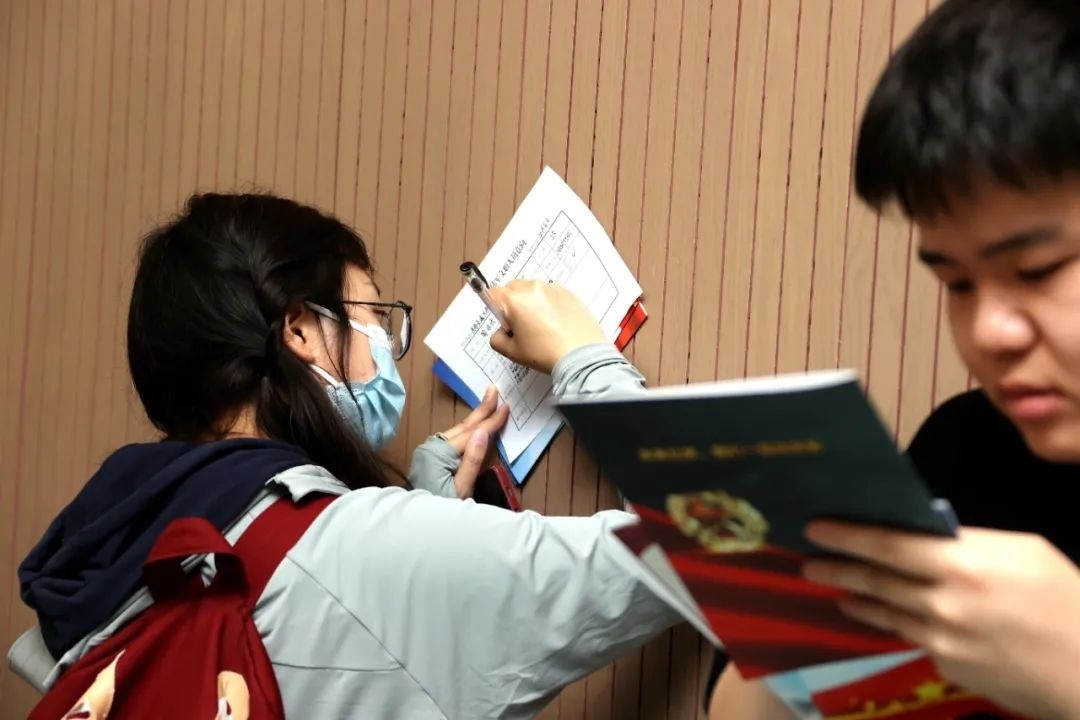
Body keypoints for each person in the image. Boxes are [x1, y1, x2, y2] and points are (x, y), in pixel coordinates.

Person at [8, 192, 684, 719]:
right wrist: (582, 357)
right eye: (375, 318)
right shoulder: (358, 558)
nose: (387, 348)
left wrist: (422, 517)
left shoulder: (115, 568)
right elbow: (705, 541)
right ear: (301, 329)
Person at [707, 0, 1080, 717]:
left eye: (1036, 271)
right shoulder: (964, 447)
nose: (989, 331)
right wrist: (790, 609)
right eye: (957, 283)